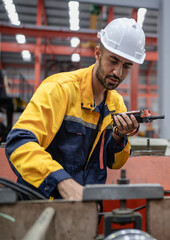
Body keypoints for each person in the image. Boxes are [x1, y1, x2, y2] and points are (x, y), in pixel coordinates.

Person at [5, 18, 146, 200]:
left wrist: (119, 137)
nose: (118, 73)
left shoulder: (116, 105)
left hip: (86, 206)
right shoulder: (59, 89)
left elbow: (114, 163)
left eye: (126, 66)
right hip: (41, 204)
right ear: (97, 54)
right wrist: (61, 181)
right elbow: (19, 143)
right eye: (113, 61)